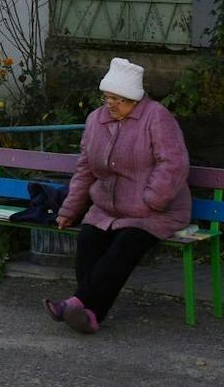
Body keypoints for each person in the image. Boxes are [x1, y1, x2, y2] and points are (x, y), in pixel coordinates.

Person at [46, 57, 190, 333]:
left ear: (134, 99)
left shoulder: (156, 117)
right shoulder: (95, 121)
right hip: (108, 209)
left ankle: (78, 304)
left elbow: (173, 164)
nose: (111, 104)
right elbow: (85, 170)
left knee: (126, 244)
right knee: (88, 238)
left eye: (118, 99)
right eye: (107, 97)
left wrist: (152, 201)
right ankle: (89, 314)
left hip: (155, 212)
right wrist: (68, 210)